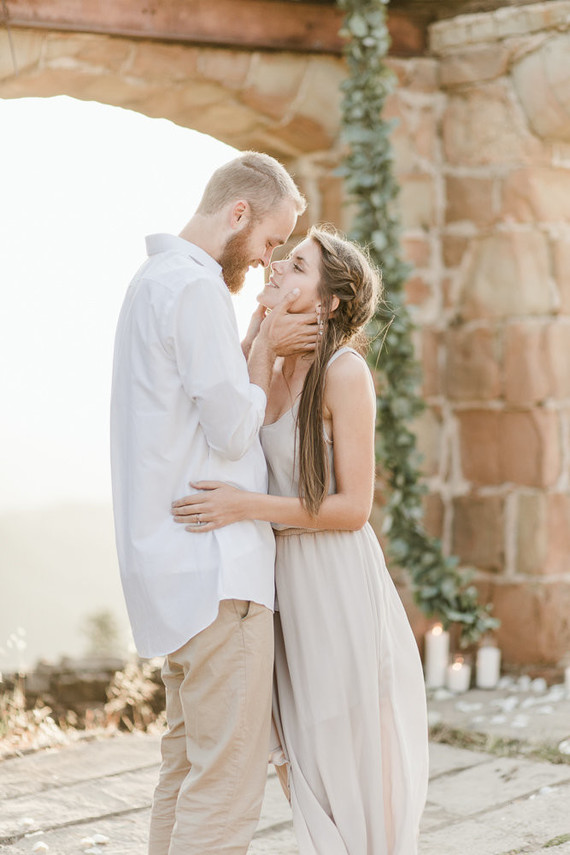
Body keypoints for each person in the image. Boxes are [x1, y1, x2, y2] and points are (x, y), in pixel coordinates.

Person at [171, 225, 430, 855]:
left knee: (347, 741)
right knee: (299, 746)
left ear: (329, 301)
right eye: (282, 258)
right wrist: (260, 333)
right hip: (280, 579)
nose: (277, 267)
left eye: (297, 265)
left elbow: (353, 508)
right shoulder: (269, 358)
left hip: (334, 577)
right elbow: (220, 415)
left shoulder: (344, 374)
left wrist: (243, 508)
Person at [110, 151, 317, 855]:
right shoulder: (196, 289)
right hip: (217, 575)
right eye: (269, 240)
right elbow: (232, 425)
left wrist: (251, 345)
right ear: (239, 212)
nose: (266, 261)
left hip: (169, 572)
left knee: (186, 771)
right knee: (225, 792)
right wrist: (264, 346)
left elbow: (200, 409)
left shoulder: (151, 282)